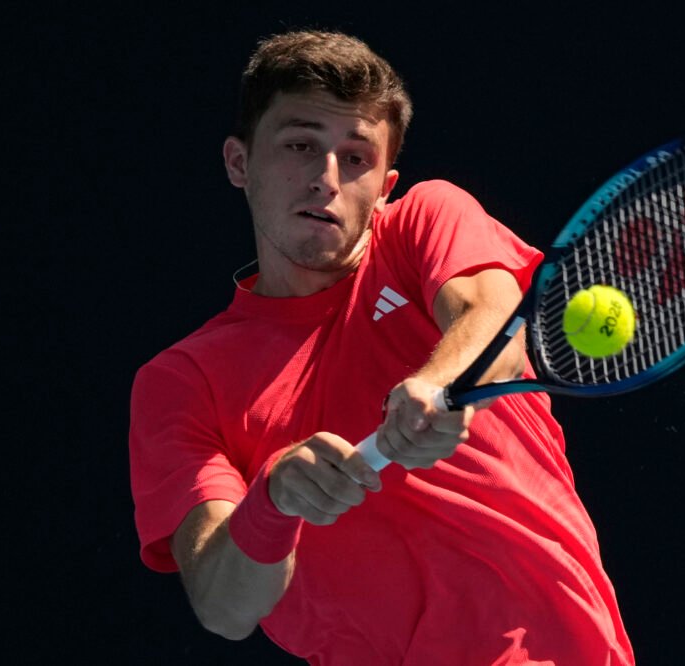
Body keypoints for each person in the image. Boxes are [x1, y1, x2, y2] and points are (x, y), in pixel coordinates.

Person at [129, 30, 635, 665]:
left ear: (387, 183)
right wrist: (273, 501)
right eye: (300, 145)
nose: (326, 178)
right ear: (239, 163)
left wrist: (441, 386)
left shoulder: (427, 220)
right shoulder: (182, 380)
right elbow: (224, 607)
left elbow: (492, 320)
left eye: (357, 157)